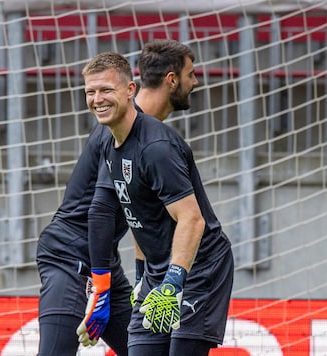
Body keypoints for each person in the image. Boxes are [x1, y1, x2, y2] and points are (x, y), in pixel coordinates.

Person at [82, 44, 234, 356]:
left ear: (130, 90)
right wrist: (141, 276)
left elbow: (192, 219)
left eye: (106, 90)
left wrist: (173, 283)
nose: (97, 99)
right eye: (91, 92)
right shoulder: (111, 146)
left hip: (199, 269)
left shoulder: (156, 147)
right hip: (157, 274)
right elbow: (142, 216)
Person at [36, 110, 135, 353]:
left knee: (150, 350)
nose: (195, 80)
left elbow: (141, 216)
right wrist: (100, 286)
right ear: (171, 79)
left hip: (105, 264)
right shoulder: (118, 131)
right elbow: (100, 210)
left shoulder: (153, 136)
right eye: (91, 91)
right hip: (68, 257)